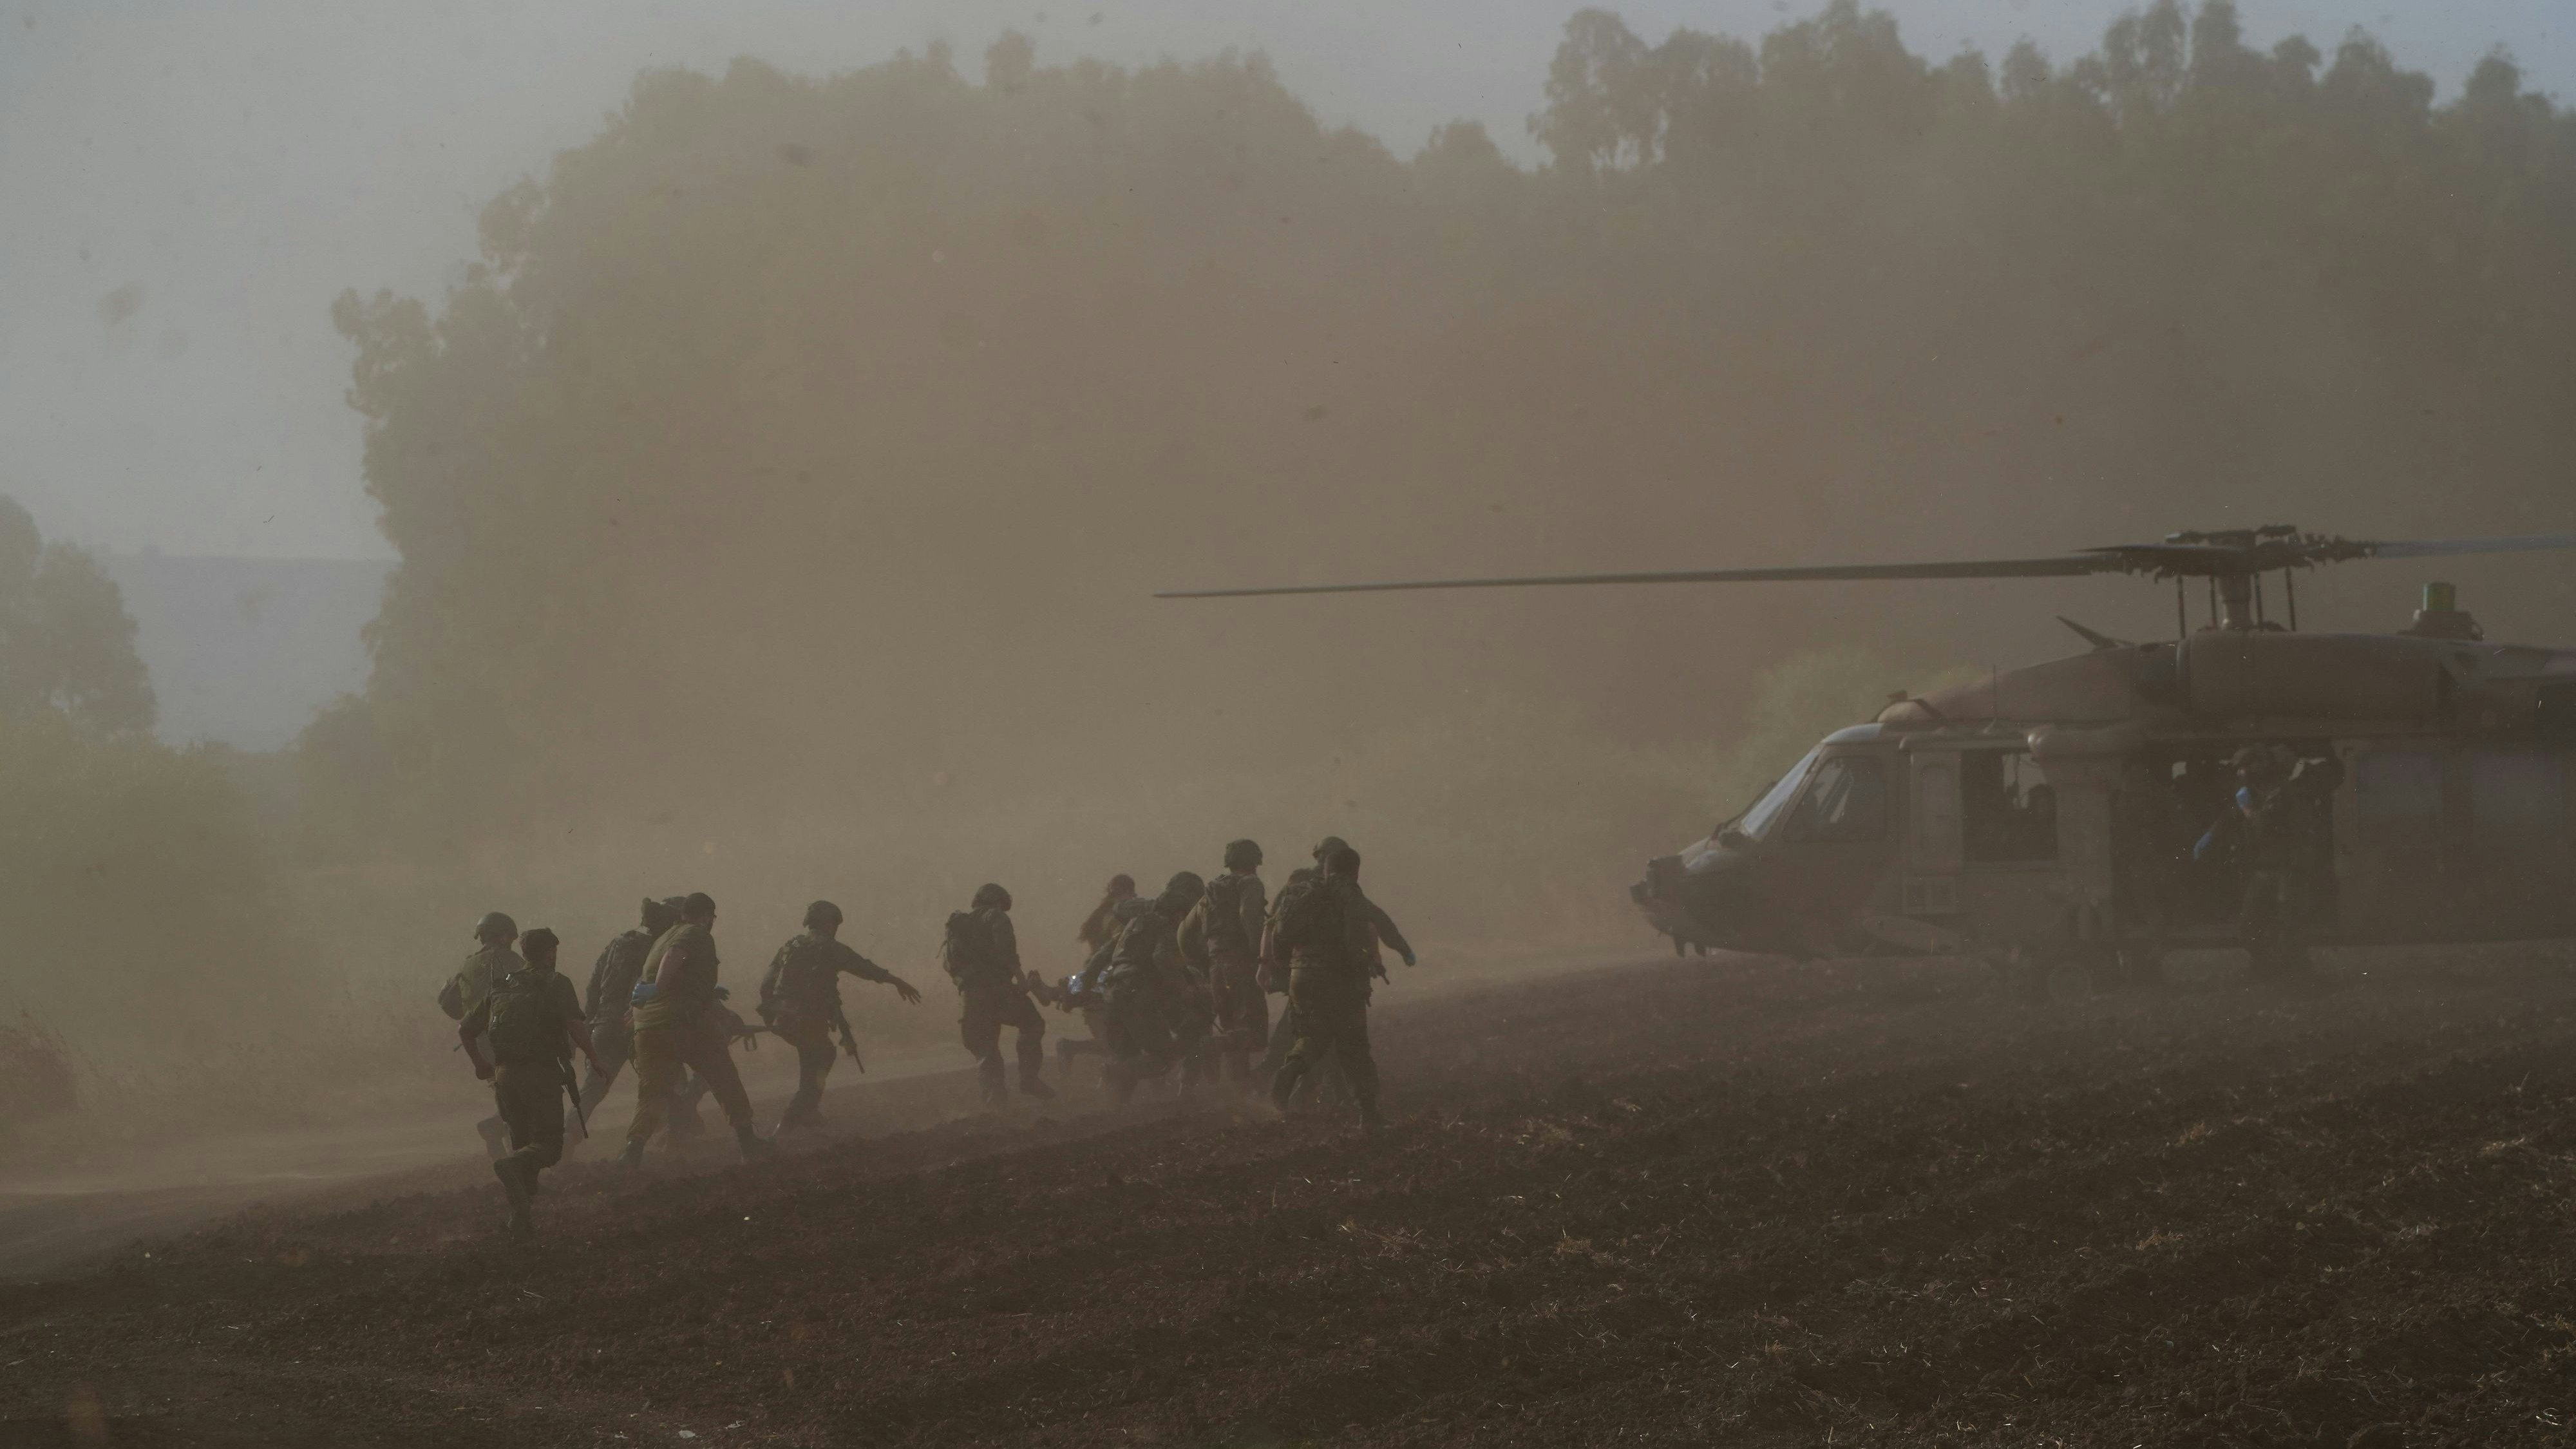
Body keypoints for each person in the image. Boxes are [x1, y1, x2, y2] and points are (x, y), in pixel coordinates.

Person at [459, 927, 598, 1239]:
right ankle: (509, 1169)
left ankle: (519, 1218)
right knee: (548, 1148)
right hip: (541, 1074)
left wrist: (481, 1064)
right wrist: (595, 1058)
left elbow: (466, 1030)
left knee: (523, 1148)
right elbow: (575, 1024)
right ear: (550, 952)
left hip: (505, 1077)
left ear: (524, 953)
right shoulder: (556, 982)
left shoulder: (502, 986)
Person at [620, 893, 770, 1164]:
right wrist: (660, 986)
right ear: (706, 916)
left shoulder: (662, 937)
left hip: (648, 1027)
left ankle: (632, 1149)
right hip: (683, 1023)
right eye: (712, 918)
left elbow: (672, 974)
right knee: (724, 1077)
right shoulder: (695, 933)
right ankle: (749, 1145)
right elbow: (676, 955)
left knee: (653, 1092)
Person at [758, 900, 924, 1135]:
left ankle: (806, 1110)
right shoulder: (829, 947)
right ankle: (788, 1124)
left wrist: (773, 1014)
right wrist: (896, 981)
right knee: (824, 1054)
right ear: (829, 923)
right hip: (807, 1018)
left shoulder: (789, 947)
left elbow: (767, 984)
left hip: (785, 1018)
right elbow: (864, 968)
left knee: (812, 1059)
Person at [2195, 745, 2343, 980]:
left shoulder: (2284, 794)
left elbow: (2262, 825)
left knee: (2289, 928)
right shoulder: (2257, 793)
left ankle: (2301, 978)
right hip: (2265, 870)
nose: (2241, 774)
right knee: (2249, 927)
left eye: (2244, 768)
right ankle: (2265, 969)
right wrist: (2210, 836)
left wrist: (2247, 808)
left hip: (2286, 870)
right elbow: (2230, 816)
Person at [1271, 846, 1388, 1132]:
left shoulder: (1302, 893)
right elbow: (1355, 942)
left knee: (1313, 1034)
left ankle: (1292, 1068)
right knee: (1354, 1044)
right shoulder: (1351, 895)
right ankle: (1369, 1113)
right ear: (1355, 871)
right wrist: (1362, 976)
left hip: (1301, 974)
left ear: (1325, 868)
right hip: (1337, 976)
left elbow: (1278, 937)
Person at [569, 895, 683, 1135]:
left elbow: (593, 986)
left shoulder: (619, 943)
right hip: (641, 1026)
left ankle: (567, 1137)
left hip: (605, 1024)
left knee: (592, 1091)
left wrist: (591, 1025)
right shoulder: (665, 950)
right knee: (669, 1080)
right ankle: (673, 1137)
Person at [1099, 872, 1206, 1104]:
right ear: (1179, 912)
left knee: (1130, 1055)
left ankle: (1113, 1106)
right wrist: (1184, 989)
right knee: (1164, 1057)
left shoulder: (1137, 923)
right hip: (1136, 994)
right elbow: (1162, 959)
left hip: (1114, 993)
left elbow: (1105, 956)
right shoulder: (1166, 927)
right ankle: (1116, 1073)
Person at [943, 884, 1052, 1106]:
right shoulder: (996, 916)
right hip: (999, 991)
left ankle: (995, 1099)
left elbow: (950, 966)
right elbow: (1007, 954)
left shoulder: (957, 926)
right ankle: (1029, 1078)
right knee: (1033, 1023)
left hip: (972, 998)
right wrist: (1022, 981)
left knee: (985, 1050)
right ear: (998, 902)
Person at [1180, 841, 1269, 1093]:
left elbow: (1184, 934)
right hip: (1241, 961)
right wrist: (1260, 954)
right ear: (1255, 861)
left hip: (1216, 965)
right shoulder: (1250, 883)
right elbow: (1249, 917)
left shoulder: (1212, 890)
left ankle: (1242, 1090)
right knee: (1255, 1034)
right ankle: (1214, 1047)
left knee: (1232, 1029)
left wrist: (1201, 961)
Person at [439, 911, 525, 1160]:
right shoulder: (509, 960)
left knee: (504, 1091)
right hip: (508, 1036)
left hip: (478, 1041)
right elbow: (525, 989)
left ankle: (502, 1135)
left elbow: (450, 1005)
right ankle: (511, 1143)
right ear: (502, 936)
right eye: (509, 936)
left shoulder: (467, 965)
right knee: (522, 1092)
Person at [1052, 875, 1137, 1070]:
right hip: (1108, 982)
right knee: (1117, 1042)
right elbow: (1117, 950)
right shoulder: (1117, 917)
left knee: (1115, 1041)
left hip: (1096, 979)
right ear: (1127, 891)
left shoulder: (1101, 916)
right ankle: (1071, 1048)